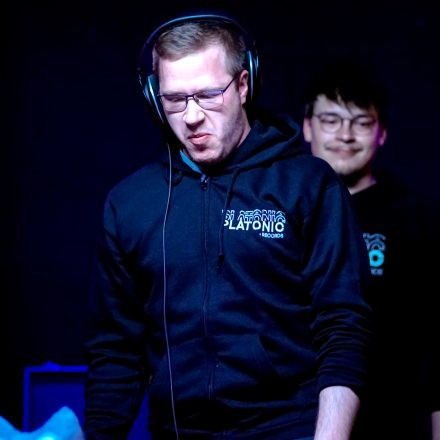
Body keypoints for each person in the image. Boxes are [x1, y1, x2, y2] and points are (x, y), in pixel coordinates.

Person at [83, 15, 373, 440]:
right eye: (174, 99)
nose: (191, 116)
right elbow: (116, 352)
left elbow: (343, 325)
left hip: (289, 427)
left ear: (243, 85)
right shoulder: (130, 204)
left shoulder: (308, 185)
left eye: (207, 95)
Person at [302, 59, 439, 439]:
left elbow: (433, 343)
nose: (345, 135)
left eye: (361, 122)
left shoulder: (415, 220)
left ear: (382, 132)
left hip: (393, 418)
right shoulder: (278, 213)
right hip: (297, 420)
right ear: (307, 126)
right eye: (331, 120)